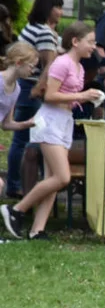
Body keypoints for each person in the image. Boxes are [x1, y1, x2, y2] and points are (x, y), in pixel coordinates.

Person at [1, 23, 103, 241]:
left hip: (64, 121)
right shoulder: (62, 64)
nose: (94, 46)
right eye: (91, 42)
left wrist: (87, 100)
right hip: (50, 122)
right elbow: (49, 96)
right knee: (63, 177)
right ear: (75, 42)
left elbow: (69, 97)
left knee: (52, 178)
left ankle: (37, 229)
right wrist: (82, 96)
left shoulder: (79, 67)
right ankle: (17, 209)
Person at [6, 0, 63, 198]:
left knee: (19, 140)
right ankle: (22, 186)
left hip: (22, 85)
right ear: (49, 9)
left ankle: (14, 184)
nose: (61, 12)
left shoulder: (31, 28)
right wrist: (38, 89)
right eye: (58, 7)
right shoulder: (46, 32)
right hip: (31, 89)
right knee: (30, 142)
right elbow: (49, 66)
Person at [0, 43, 40, 199]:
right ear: (18, 63)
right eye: (31, 66)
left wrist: (28, 123)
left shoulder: (16, 89)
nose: (33, 71)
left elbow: (6, 124)